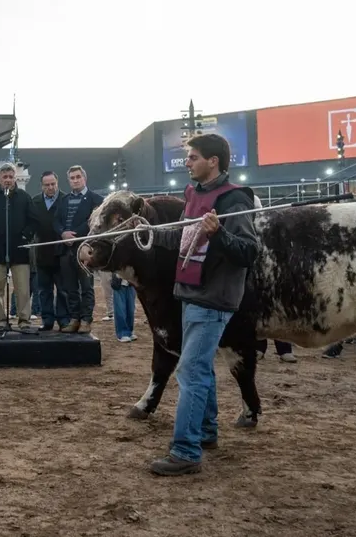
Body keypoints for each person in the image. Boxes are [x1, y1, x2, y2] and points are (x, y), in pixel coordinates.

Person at [147, 133, 261, 476]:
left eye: (193, 157)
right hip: (190, 293)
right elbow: (183, 236)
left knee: (191, 371)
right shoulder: (193, 194)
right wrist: (148, 233)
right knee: (199, 368)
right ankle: (206, 432)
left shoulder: (234, 201)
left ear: (214, 161)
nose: (187, 162)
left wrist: (219, 234)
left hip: (213, 299)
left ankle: (185, 450)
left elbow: (248, 252)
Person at [0, 163, 38, 331]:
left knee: (23, 289)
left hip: (20, 250)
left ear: (15, 178)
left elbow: (33, 221)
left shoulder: (24, 197)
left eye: (11, 177)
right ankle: (1, 321)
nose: (8, 180)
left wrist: (25, 235)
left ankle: (24, 321)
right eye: (5, 177)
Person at [52, 165, 105, 334]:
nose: (75, 180)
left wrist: (74, 235)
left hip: (84, 249)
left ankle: (86, 320)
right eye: (72, 178)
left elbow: (94, 222)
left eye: (78, 177)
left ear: (84, 178)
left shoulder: (96, 199)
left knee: (86, 287)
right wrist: (62, 233)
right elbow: (55, 221)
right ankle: (74, 318)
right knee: (70, 287)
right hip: (65, 251)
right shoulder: (63, 200)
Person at [30, 171, 68, 331]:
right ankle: (47, 320)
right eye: (47, 185)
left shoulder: (65, 199)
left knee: (62, 290)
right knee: (44, 290)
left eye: (53, 184)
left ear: (57, 183)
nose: (50, 187)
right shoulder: (35, 201)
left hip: (61, 254)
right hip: (42, 254)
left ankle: (63, 320)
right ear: (42, 186)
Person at [111, 273, 137, 342]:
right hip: (119, 283)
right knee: (120, 310)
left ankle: (129, 331)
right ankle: (122, 333)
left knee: (131, 309)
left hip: (130, 283)